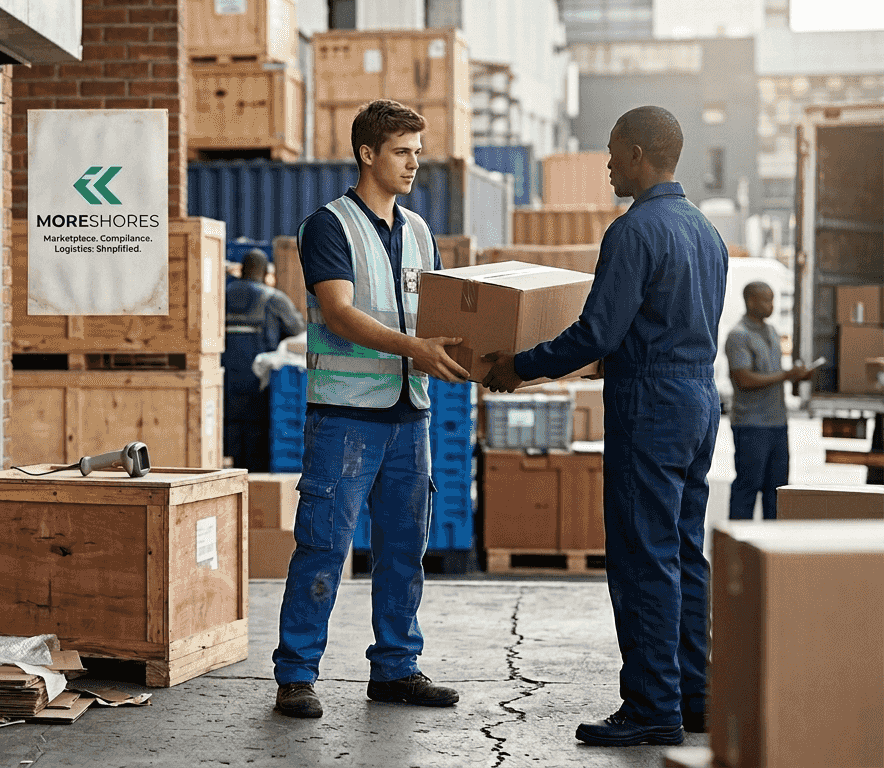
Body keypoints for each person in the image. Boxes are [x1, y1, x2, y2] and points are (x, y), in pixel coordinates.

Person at [481, 106, 727, 746]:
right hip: (699, 400)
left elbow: (596, 333)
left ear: (641, 153)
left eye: (615, 153)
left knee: (643, 557)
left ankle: (651, 707)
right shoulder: (706, 232)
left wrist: (519, 367)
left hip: (650, 404)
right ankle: (694, 697)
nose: (609, 165)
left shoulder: (633, 232)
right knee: (683, 553)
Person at [272, 98, 471, 719]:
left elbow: (435, 317)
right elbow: (338, 312)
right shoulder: (328, 226)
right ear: (367, 154)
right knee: (324, 546)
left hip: (411, 414)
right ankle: (297, 675)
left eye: (419, 151)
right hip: (345, 414)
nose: (416, 163)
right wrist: (416, 347)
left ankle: (395, 668)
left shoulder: (418, 232)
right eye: (403, 152)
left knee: (405, 547)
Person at [725, 281, 810, 520]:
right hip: (752, 425)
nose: (770, 305)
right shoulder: (738, 335)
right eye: (765, 299)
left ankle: (772, 549)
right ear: (750, 301)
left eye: (772, 299)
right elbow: (744, 379)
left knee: (777, 491)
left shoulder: (772, 331)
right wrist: (786, 375)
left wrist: (797, 376)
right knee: (747, 488)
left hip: (777, 423)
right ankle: (738, 548)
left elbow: (772, 374)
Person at [223, 248, 305, 472]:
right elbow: (297, 328)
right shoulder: (273, 298)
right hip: (257, 379)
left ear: (242, 270)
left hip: (223, 379)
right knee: (257, 434)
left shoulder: (221, 295)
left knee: (228, 431)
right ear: (265, 272)